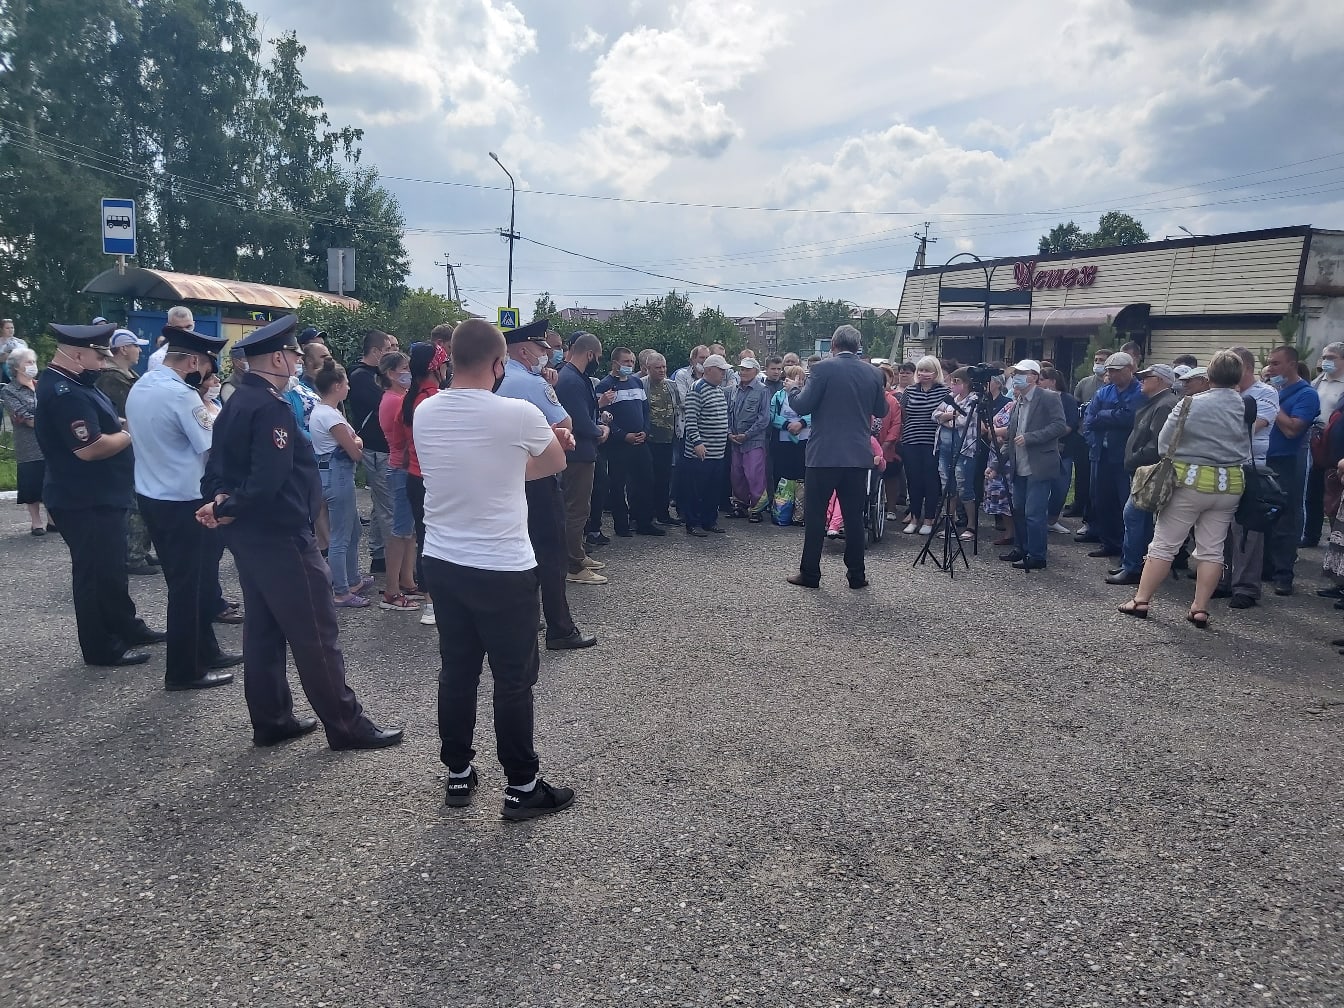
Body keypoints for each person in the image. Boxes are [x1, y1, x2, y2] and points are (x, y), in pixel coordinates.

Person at [198, 314, 402, 750]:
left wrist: (219, 501)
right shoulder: (270, 406)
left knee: (265, 629)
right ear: (277, 357)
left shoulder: (236, 399)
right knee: (316, 631)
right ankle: (346, 725)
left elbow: (217, 465)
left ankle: (272, 717)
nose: (296, 360)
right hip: (280, 533)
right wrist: (228, 504)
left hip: (252, 534)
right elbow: (270, 478)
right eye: (292, 353)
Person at [414, 318, 575, 820]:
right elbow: (553, 464)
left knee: (457, 670)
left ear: (452, 360)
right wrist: (545, 444)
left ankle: (458, 773)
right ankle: (521, 785)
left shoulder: (424, 412)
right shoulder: (519, 413)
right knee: (512, 679)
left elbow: (460, 467)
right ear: (498, 364)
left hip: (442, 558)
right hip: (503, 564)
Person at [36, 322, 165, 667]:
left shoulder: (80, 384)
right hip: (83, 499)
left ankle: (126, 626)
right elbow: (90, 448)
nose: (105, 362)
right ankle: (101, 647)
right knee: (94, 573)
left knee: (111, 570)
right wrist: (132, 432)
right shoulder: (66, 393)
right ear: (77, 354)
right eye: (99, 355)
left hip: (100, 495)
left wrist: (121, 425)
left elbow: (106, 423)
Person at [125, 324, 241, 691]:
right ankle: (184, 670)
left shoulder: (142, 385)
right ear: (192, 361)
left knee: (190, 581)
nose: (208, 374)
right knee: (188, 587)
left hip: (153, 495)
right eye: (207, 365)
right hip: (186, 500)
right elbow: (211, 444)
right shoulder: (182, 396)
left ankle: (205, 649)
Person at [1118, 351, 1250, 627]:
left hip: (1189, 480)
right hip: (1230, 484)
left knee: (1164, 544)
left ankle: (1141, 600)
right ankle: (1200, 608)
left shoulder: (1189, 404)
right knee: (1212, 549)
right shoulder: (1245, 404)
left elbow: (1165, 444)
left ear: (1208, 376)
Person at [496, 319, 595, 651]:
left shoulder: (497, 378)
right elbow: (565, 423)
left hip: (504, 478)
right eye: (542, 349)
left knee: (516, 550)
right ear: (524, 350)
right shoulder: (531, 383)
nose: (547, 355)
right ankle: (560, 629)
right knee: (550, 554)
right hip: (537, 476)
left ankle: (524, 615)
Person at [785, 325, 888, 590]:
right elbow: (881, 409)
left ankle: (810, 574)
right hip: (857, 454)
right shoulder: (873, 372)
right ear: (858, 346)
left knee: (816, 516)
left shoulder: (821, 369)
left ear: (833, 344)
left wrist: (793, 389)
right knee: (854, 517)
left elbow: (802, 405)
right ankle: (856, 576)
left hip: (824, 455)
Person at [1106, 364, 1180, 586]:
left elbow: (1159, 444)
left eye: (1146, 377)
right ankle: (1135, 562)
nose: (1141, 381)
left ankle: (1133, 567)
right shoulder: (1156, 402)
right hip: (1143, 469)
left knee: (1134, 516)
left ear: (1159, 380)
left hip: (1150, 471)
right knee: (1139, 519)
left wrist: (1133, 457)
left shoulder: (1165, 404)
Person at [1218, 346, 1279, 609]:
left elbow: (1251, 427)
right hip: (1222, 465)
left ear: (1246, 368)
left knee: (1247, 530)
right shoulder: (1224, 393)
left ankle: (1246, 588)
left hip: (1251, 468)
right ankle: (1222, 579)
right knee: (1220, 527)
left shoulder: (1265, 393)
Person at [310, 359, 373, 607]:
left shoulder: (323, 411)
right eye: (345, 383)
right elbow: (355, 450)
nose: (348, 387)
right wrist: (357, 442)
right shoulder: (331, 417)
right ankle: (341, 590)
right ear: (336, 385)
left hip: (328, 472)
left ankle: (352, 578)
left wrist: (355, 441)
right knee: (340, 535)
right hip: (337, 474)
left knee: (353, 528)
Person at [97, 327, 158, 576]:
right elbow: (128, 409)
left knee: (139, 500)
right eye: (135, 346)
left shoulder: (127, 374)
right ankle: (133, 555)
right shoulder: (112, 378)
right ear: (123, 349)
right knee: (134, 503)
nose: (139, 350)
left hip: (134, 443)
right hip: (123, 443)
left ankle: (140, 550)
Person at [394, 341, 446, 625]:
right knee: (439, 539)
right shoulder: (435, 399)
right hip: (435, 478)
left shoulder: (407, 399)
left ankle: (430, 601)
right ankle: (435, 602)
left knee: (425, 538)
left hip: (415, 476)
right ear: (436, 368)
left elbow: (400, 443)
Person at [998, 360, 1067, 571]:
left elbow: (1059, 426)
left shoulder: (1049, 397)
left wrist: (1031, 437)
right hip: (1019, 463)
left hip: (1039, 463)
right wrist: (1001, 457)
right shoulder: (1018, 401)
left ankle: (1037, 555)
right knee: (1018, 509)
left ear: (1034, 376)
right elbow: (1012, 431)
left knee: (1034, 512)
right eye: (1015, 373)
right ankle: (1021, 548)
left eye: (1022, 373)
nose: (1017, 376)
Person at [1263, 344, 1320, 596]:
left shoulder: (1306, 394)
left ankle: (1283, 574)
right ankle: (1265, 567)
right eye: (1269, 363)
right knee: (1264, 515)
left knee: (1287, 516)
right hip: (1267, 459)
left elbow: (1292, 429)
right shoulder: (1271, 391)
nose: (1269, 368)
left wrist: (1273, 403)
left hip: (1289, 461)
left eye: (1275, 363)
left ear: (1291, 365)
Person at [555, 332, 611, 585]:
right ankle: (573, 565)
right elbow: (578, 420)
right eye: (598, 356)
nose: (598, 360)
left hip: (582, 451)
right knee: (576, 510)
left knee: (580, 507)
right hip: (576, 454)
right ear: (590, 354)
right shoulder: (571, 380)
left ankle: (577, 554)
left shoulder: (576, 377)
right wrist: (601, 431)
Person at [1081, 352, 1145, 559]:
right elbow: (1089, 420)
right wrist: (1094, 439)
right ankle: (1109, 543)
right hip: (1101, 452)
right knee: (1102, 500)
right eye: (1110, 371)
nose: (1112, 375)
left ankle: (1130, 549)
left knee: (1125, 502)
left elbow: (1130, 417)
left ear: (1130, 369)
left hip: (1126, 455)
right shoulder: (1104, 392)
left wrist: (1104, 415)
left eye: (1117, 371)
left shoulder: (1139, 391)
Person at [595, 347, 663, 536]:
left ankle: (643, 521)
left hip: (641, 441)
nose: (630, 365)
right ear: (615, 363)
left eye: (632, 362)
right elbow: (602, 417)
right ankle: (621, 525)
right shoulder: (604, 386)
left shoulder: (636, 383)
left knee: (646, 481)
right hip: (619, 444)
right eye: (626, 362)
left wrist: (645, 431)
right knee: (617, 484)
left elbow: (645, 410)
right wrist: (623, 435)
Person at [347, 329, 398, 575]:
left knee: (381, 506)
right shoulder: (361, 377)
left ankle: (379, 556)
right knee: (389, 507)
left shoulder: (374, 376)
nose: (393, 354)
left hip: (385, 448)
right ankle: (393, 561)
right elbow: (386, 401)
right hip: (375, 449)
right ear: (376, 352)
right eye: (389, 349)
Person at [375, 352, 421, 611]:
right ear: (391, 374)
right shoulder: (395, 402)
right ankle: (391, 591)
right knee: (400, 530)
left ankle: (406, 579)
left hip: (401, 467)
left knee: (409, 531)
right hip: (401, 468)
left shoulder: (398, 398)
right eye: (404, 369)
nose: (408, 373)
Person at [0, 346, 52, 534]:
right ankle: (36, 521)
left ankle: (52, 519)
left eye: (34, 362)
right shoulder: (10, 391)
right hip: (28, 444)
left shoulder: (41, 386)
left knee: (50, 480)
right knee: (32, 481)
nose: (33, 366)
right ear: (16, 367)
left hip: (49, 441)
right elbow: (23, 418)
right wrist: (50, 420)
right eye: (28, 362)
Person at [681, 354, 731, 536]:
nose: (724, 374)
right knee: (696, 490)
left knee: (713, 489)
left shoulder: (718, 390)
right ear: (709, 370)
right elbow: (691, 419)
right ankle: (692, 523)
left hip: (717, 451)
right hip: (701, 452)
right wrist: (697, 442)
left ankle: (710, 521)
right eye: (721, 370)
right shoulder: (697, 389)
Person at [898, 356, 947, 535]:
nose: (923, 374)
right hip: (911, 440)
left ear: (936, 372)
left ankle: (929, 518)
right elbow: (903, 414)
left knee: (931, 481)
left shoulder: (944, 391)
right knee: (914, 480)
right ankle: (914, 517)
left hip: (933, 442)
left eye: (928, 370)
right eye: (921, 370)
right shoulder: (910, 391)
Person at [1305, 341, 1344, 548]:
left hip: (1337, 443)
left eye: (1331, 358)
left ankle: (1336, 535)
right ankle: (1311, 534)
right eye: (1324, 357)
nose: (1326, 362)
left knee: (1335, 492)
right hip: (1316, 439)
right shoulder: (1317, 382)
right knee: (1313, 490)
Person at [726, 357, 772, 521]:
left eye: (747, 369)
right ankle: (741, 505)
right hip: (736, 440)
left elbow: (764, 418)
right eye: (742, 369)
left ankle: (757, 509)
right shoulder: (734, 389)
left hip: (753, 441)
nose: (743, 372)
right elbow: (729, 412)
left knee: (754, 474)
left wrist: (747, 434)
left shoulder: (762, 390)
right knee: (737, 474)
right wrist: (730, 433)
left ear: (756, 371)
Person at [1037, 366, 1081, 534]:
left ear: (1052, 381)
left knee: (1061, 486)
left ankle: (1052, 519)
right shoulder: (1037, 399)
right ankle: (1039, 518)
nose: (1039, 382)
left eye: (1042, 379)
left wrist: (1048, 435)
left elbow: (1069, 425)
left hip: (1064, 450)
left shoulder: (1067, 399)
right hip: (1041, 450)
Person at [769, 365, 811, 526]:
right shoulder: (778, 396)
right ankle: (781, 511)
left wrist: (801, 423)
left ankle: (800, 514)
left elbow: (814, 414)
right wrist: (787, 425)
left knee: (802, 477)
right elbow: (771, 416)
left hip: (804, 441)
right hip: (783, 442)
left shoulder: (808, 395)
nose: (799, 381)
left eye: (801, 378)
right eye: (795, 378)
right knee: (783, 476)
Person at [644, 351, 678, 525]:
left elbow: (678, 407)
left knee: (665, 478)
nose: (662, 370)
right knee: (649, 479)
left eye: (664, 367)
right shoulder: (642, 384)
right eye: (657, 367)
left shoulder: (672, 386)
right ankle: (647, 514)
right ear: (648, 368)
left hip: (668, 439)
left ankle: (663, 514)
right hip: (649, 440)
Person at [147, 305, 193, 372]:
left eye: (189, 327)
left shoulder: (202, 353)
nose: (185, 332)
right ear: (168, 327)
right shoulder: (158, 358)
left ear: (194, 324)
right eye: (178, 329)